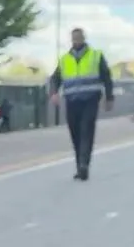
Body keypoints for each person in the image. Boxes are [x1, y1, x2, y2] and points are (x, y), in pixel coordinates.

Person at [49, 28, 113, 181]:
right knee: (75, 133)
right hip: (72, 101)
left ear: (84, 38)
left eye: (79, 37)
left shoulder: (95, 55)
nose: (77, 40)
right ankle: (79, 165)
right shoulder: (65, 59)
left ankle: (84, 165)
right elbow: (55, 78)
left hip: (90, 99)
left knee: (86, 130)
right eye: (74, 38)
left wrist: (109, 97)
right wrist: (54, 92)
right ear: (71, 40)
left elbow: (106, 77)